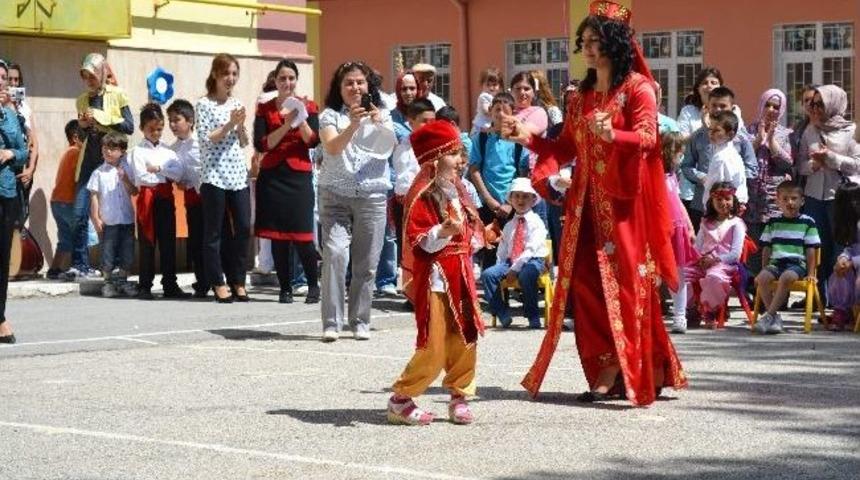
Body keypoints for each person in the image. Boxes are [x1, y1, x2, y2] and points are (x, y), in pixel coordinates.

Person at [509, 1, 687, 406]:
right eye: (584, 41)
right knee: (586, 287)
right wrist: (528, 139)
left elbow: (648, 139)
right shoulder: (581, 96)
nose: (588, 49)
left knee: (628, 285)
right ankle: (606, 367)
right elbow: (566, 146)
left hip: (624, 206)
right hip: (585, 204)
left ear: (616, 43)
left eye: (596, 41)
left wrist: (614, 136)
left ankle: (644, 368)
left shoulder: (637, 89)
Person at [387, 120, 484, 426]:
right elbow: (419, 242)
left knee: (466, 337)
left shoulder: (459, 190)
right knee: (434, 342)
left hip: (462, 276)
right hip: (437, 279)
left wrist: (481, 236)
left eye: (460, 153)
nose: (461, 160)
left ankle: (459, 395)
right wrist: (442, 230)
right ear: (435, 156)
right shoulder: (423, 194)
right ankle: (400, 399)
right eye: (454, 153)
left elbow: (469, 232)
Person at [318, 61, 397, 341]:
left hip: (372, 194)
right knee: (336, 254)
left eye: (360, 82)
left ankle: (360, 320)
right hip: (335, 194)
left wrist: (376, 123)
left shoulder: (383, 115)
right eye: (348, 83)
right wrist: (352, 124)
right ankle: (332, 322)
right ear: (339, 89)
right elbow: (332, 147)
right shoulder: (329, 115)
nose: (355, 88)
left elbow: (388, 148)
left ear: (369, 86)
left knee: (367, 263)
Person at [253, 59, 321, 305]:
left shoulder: (310, 106)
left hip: (299, 175)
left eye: (291, 78)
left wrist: (299, 116)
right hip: (273, 175)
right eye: (282, 78)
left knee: (302, 235)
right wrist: (285, 124)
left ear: (296, 80)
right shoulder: (265, 107)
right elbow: (262, 144)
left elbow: (312, 141)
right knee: (278, 235)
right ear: (276, 81)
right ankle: (285, 288)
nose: (287, 83)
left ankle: (313, 285)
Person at [795, 84, 860, 303]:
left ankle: (841, 301)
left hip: (840, 198)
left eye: (819, 103)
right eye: (811, 103)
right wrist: (813, 165)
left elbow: (857, 165)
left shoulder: (851, 131)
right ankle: (818, 299)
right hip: (814, 196)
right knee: (817, 247)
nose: (814, 108)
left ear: (834, 103)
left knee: (840, 247)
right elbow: (800, 165)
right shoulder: (810, 131)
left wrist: (831, 159)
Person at [72, 53, 134, 280]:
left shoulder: (118, 94)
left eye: (92, 75)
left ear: (102, 73)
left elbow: (129, 126)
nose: (89, 80)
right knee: (78, 214)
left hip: (111, 162)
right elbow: (82, 134)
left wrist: (103, 116)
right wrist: (83, 125)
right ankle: (80, 264)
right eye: (85, 76)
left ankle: (115, 265)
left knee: (112, 214)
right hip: (89, 161)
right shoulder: (81, 100)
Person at [196, 53, 252, 303]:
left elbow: (243, 142)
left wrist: (240, 127)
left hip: (237, 174)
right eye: (226, 73)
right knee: (214, 232)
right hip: (214, 175)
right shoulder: (204, 105)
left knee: (242, 226)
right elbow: (209, 137)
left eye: (234, 74)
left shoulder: (236, 104)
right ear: (215, 75)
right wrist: (230, 124)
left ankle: (237, 279)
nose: (230, 79)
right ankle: (217, 281)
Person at [129, 103, 189, 300]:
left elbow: (178, 173)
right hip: (147, 199)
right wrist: (162, 172)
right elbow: (141, 176)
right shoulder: (137, 151)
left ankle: (170, 284)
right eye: (151, 129)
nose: (156, 133)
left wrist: (159, 169)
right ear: (142, 128)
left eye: (159, 129)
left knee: (168, 241)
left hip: (165, 198)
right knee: (147, 242)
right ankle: (145, 285)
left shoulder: (168, 150)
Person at [468, 92, 531, 269]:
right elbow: (475, 170)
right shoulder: (480, 139)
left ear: (513, 113)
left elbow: (522, 173)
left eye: (505, 110)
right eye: (497, 110)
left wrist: (511, 203)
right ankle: (492, 291)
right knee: (490, 246)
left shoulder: (518, 142)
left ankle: (514, 284)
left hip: (513, 203)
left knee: (515, 246)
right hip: (488, 203)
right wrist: (489, 200)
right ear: (490, 111)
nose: (500, 114)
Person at [681, 87, 757, 230]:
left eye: (723, 106)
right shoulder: (698, 136)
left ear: (731, 108)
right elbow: (686, 166)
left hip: (728, 207)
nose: (718, 110)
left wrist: (732, 188)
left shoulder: (740, 137)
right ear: (707, 107)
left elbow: (752, 168)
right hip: (701, 203)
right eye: (714, 105)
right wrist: (703, 177)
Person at [480, 177, 549, 329]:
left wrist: (514, 269)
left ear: (533, 200)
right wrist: (501, 268)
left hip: (532, 260)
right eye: (516, 196)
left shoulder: (536, 222)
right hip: (511, 261)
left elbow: (531, 248)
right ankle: (502, 312)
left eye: (525, 196)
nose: (520, 200)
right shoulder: (510, 225)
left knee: (526, 274)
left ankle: (533, 315)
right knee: (488, 274)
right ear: (510, 199)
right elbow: (503, 249)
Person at [754, 181, 821, 334]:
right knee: (761, 278)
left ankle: (768, 316)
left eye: (794, 198)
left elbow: (811, 250)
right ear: (777, 201)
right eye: (784, 199)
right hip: (776, 263)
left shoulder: (808, 222)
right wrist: (764, 268)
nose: (789, 202)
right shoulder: (773, 222)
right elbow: (766, 248)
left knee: (786, 277)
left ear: (802, 201)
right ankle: (775, 317)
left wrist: (811, 273)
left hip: (797, 264)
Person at [744, 89, 793, 278]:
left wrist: (771, 140)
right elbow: (742, 157)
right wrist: (759, 138)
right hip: (753, 197)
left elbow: (787, 163)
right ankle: (755, 289)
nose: (771, 109)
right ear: (761, 105)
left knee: (776, 245)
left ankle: (779, 292)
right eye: (768, 105)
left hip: (775, 198)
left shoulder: (786, 134)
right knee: (755, 244)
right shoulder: (747, 130)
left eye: (776, 106)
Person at [685, 182, 746, 329]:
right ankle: (690, 308)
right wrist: (698, 259)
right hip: (704, 262)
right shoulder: (706, 223)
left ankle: (710, 310)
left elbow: (735, 254)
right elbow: (697, 247)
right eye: (718, 199)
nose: (723, 203)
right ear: (711, 201)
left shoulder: (736, 224)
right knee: (683, 273)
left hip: (725, 265)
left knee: (714, 277)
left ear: (733, 201)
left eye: (727, 199)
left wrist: (715, 260)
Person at [87, 131, 137, 298]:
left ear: (122, 151)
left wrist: (125, 179)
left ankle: (122, 281)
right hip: (109, 220)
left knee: (127, 253)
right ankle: (108, 283)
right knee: (107, 252)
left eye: (112, 148)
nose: (108, 152)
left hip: (127, 219)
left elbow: (134, 191)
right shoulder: (98, 173)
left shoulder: (127, 169)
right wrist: (95, 217)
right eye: (105, 148)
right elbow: (94, 195)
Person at [0, 64, 29, 344]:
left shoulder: (9, 115)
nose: (1, 83)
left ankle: (0, 318)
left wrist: (9, 152)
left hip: (6, 192)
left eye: (3, 78)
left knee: (2, 258)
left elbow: (22, 153)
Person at [167, 99, 207, 298]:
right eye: (170, 121)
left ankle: (219, 278)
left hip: (209, 197)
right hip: (191, 199)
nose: (173, 125)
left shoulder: (202, 141)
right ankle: (202, 280)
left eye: (177, 120)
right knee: (196, 241)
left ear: (190, 121)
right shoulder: (172, 149)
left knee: (213, 240)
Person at [662, 131, 696, 333]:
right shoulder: (655, 173)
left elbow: (678, 202)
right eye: (679, 153)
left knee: (679, 272)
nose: (681, 157)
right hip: (661, 227)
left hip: (677, 227)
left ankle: (680, 315)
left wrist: (689, 225)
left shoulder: (673, 175)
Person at [47, 120, 84, 279]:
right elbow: (79, 178)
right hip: (68, 201)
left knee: (65, 238)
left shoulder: (67, 152)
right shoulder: (76, 153)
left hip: (57, 201)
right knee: (80, 234)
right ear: (76, 137)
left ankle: (54, 269)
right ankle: (81, 266)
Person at [827, 182, 860, 331]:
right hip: (854, 261)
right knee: (839, 273)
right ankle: (842, 310)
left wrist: (853, 262)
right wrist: (843, 258)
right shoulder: (851, 224)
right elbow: (851, 247)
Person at [676, 67, 745, 138]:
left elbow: (739, 137)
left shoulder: (733, 109)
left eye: (714, 83)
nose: (709, 86)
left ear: (720, 87)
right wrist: (704, 128)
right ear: (698, 89)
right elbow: (682, 140)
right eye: (705, 83)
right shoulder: (688, 111)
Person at [5, 62, 38, 195]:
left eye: (16, 79)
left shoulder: (25, 107)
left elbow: (34, 142)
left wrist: (30, 169)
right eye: (9, 79)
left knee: (21, 213)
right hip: (6, 169)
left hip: (23, 170)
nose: (13, 83)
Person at [703, 111, 748, 207]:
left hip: (721, 209)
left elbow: (717, 188)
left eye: (716, 130)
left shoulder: (721, 158)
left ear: (730, 134)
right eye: (710, 129)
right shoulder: (728, 152)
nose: (711, 134)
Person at [510, 71, 549, 138]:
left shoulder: (539, 112)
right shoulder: (506, 111)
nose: (522, 92)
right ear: (511, 92)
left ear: (533, 93)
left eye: (526, 89)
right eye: (518, 89)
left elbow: (527, 133)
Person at [470, 67, 503, 135]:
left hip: (489, 127)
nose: (491, 88)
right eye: (488, 85)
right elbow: (486, 110)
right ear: (482, 85)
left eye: (494, 85)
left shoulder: (497, 97)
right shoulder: (484, 96)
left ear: (500, 86)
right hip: (481, 126)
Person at [391, 71, 419, 141]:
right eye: (404, 89)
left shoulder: (426, 115)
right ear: (398, 91)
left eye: (412, 88)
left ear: (418, 90)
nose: (408, 93)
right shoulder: (390, 119)